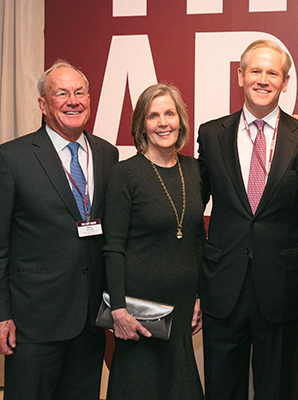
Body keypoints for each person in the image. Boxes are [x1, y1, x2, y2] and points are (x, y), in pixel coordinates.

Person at [0, 60, 119, 399]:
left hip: (89, 321)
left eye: (80, 92)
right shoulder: (10, 159)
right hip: (32, 325)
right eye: (61, 93)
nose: (73, 101)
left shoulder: (107, 154)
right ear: (43, 104)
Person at [196, 39, 298, 400]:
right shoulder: (211, 133)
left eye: (273, 73)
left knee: (277, 390)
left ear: (285, 82)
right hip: (222, 288)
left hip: (281, 288)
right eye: (255, 71)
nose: (263, 80)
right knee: (221, 389)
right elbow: (191, 207)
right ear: (240, 76)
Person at [102, 83, 204, 399]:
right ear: (142, 126)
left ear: (180, 121)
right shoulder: (125, 173)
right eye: (153, 116)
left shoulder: (194, 169)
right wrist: (118, 310)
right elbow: (113, 246)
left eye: (170, 114)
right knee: (139, 388)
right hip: (138, 311)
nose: (163, 123)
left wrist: (199, 295)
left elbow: (197, 238)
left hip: (183, 302)